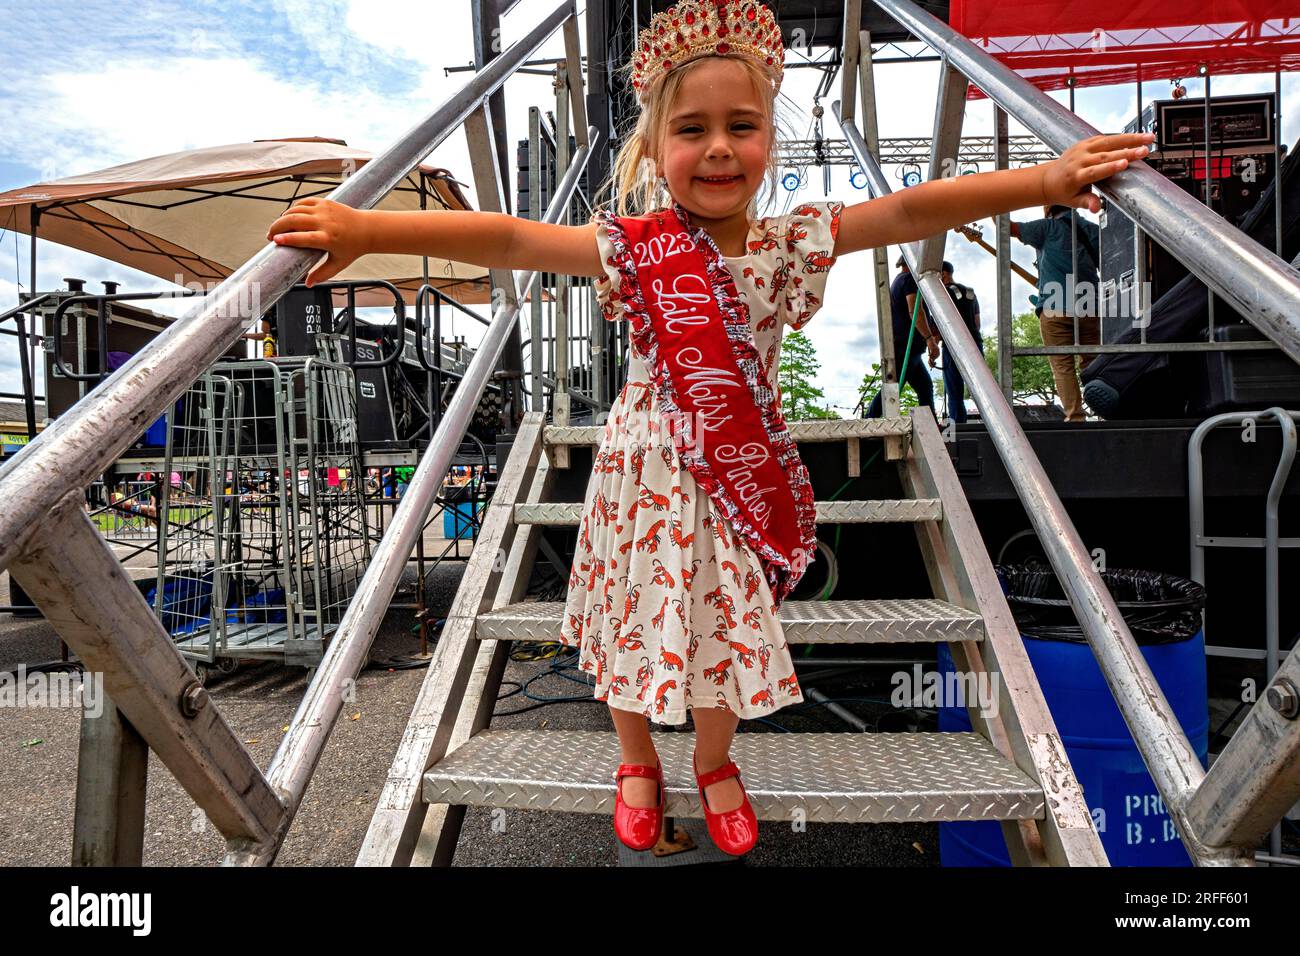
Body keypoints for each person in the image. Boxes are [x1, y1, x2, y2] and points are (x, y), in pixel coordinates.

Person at [266, 0, 1152, 856]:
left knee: (723, 630)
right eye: (692, 129)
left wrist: (1042, 178)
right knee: (631, 621)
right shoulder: (632, 245)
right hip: (642, 474)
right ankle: (637, 761)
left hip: (738, 472)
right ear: (654, 144)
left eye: (743, 124)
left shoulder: (789, 242)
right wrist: (369, 226)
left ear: (772, 136)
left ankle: (715, 760)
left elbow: (913, 212)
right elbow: (509, 239)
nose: (719, 147)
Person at [1010, 203, 1102, 421]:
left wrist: (1001, 201)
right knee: (1093, 362)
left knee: (1062, 365)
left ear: (1048, 208)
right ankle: (1102, 413)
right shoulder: (1093, 230)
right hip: (1090, 304)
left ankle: (1076, 417)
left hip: (1055, 308)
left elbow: (1007, 228)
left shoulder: (1047, 227)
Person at [866, 256, 938, 417]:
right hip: (906, 347)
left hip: (909, 348)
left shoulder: (901, 280)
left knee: (924, 386)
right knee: (892, 389)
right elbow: (915, 311)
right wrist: (929, 339)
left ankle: (931, 423)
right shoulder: (909, 280)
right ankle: (869, 422)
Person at [938, 260, 983, 423]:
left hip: (954, 343)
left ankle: (958, 427)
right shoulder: (971, 292)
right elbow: (977, 323)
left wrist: (934, 344)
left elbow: (940, 322)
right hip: (974, 342)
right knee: (981, 387)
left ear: (943, 274)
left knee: (955, 389)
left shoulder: (942, 292)